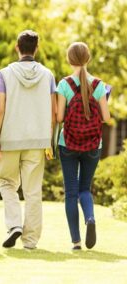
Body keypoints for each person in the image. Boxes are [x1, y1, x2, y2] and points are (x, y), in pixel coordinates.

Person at [0, 30, 57, 249]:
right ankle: (30, 241)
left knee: (7, 183)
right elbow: (54, 111)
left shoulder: (5, 74)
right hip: (38, 140)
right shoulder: (48, 75)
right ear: (36, 48)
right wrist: (49, 140)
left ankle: (14, 226)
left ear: (17, 47)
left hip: (10, 138)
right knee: (33, 191)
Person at [56, 42, 110, 250]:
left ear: (70, 60)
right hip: (93, 144)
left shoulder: (64, 85)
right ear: (88, 59)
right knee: (84, 188)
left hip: (68, 143)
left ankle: (76, 241)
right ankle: (90, 219)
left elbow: (60, 117)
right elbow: (105, 117)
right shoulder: (99, 85)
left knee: (71, 192)